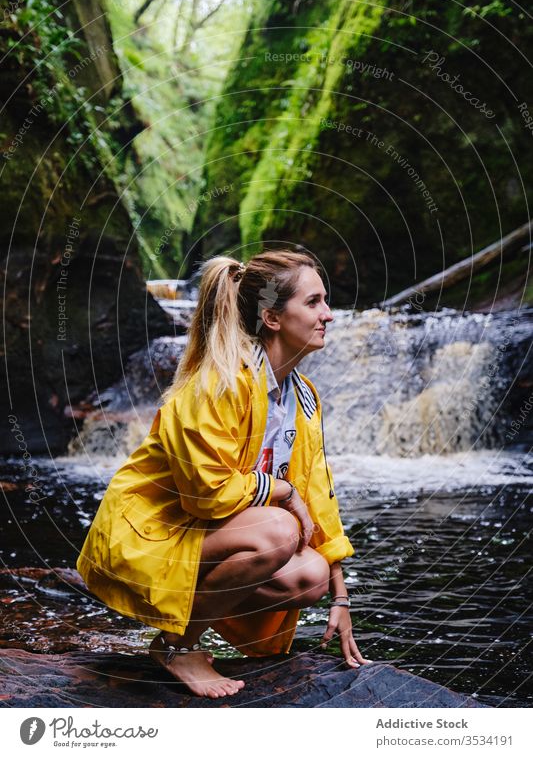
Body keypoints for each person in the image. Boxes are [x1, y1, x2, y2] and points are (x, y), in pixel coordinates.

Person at [76, 250, 370, 699]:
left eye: (324, 301)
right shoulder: (219, 383)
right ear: (271, 317)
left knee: (309, 574)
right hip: (152, 534)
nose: (328, 314)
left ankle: (185, 630)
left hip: (206, 537)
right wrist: (283, 491)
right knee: (279, 529)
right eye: (313, 303)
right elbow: (207, 495)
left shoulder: (303, 396)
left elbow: (318, 492)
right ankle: (177, 648)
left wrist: (341, 596)